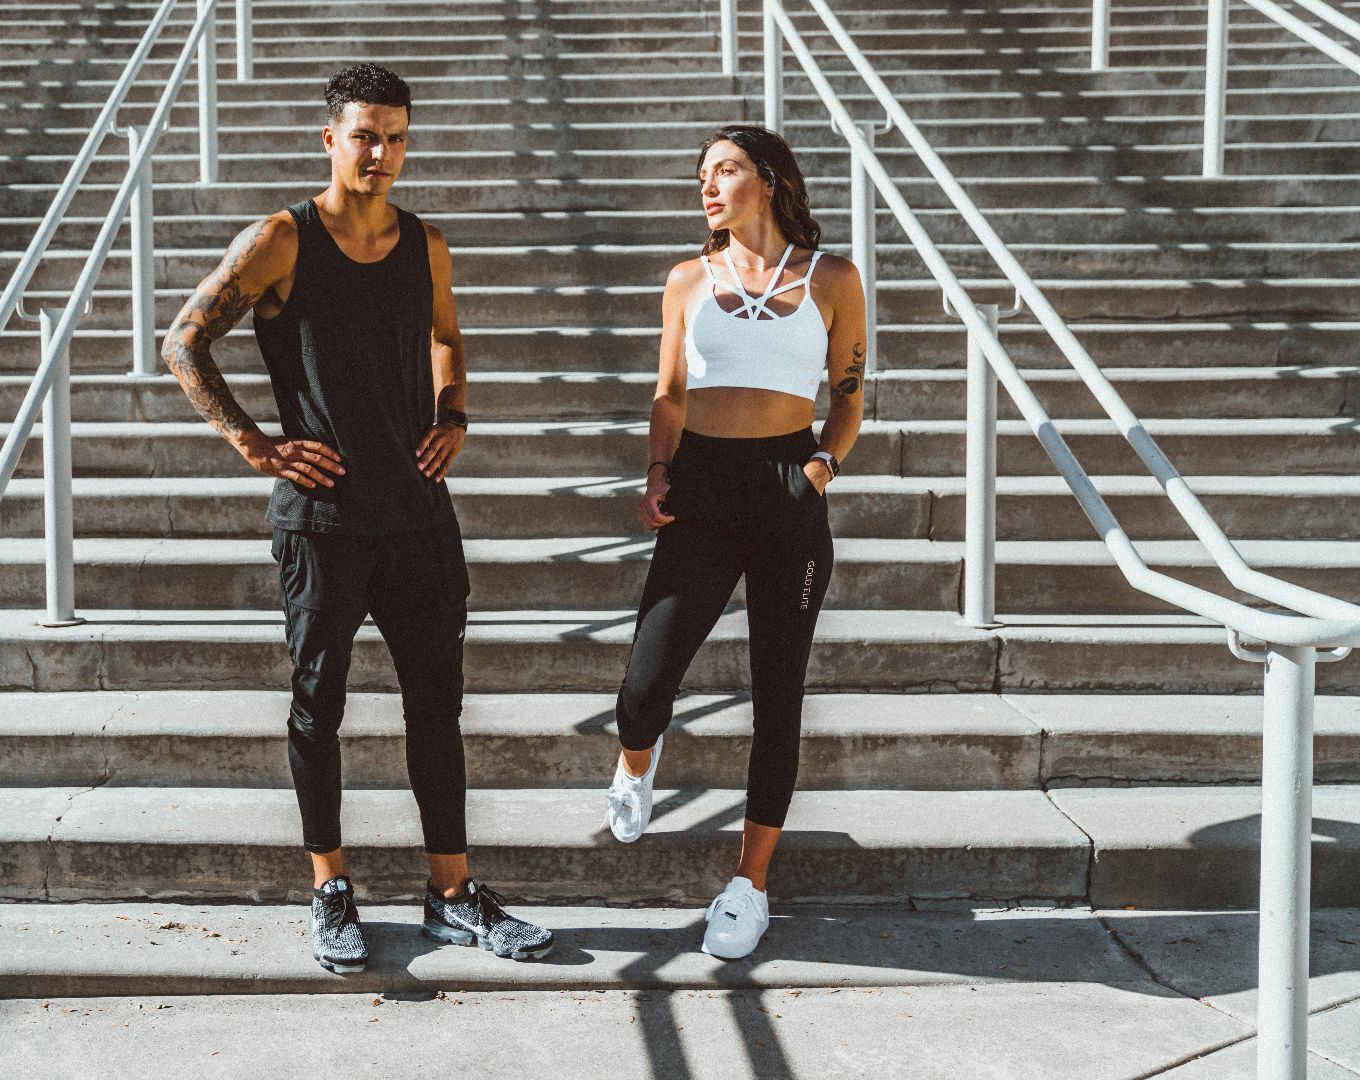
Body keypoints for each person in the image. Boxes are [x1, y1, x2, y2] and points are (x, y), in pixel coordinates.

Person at [159, 63, 554, 975]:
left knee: (437, 707)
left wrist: (454, 416)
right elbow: (183, 338)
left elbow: (447, 335)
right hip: (325, 521)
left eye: (397, 136)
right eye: (366, 134)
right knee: (317, 704)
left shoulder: (428, 244)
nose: (382, 153)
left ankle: (452, 897)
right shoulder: (281, 239)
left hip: (418, 517)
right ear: (329, 138)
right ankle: (330, 886)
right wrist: (258, 447)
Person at [602, 124, 867, 960]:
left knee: (778, 693)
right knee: (645, 683)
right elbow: (670, 393)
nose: (708, 185)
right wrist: (655, 469)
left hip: (788, 486)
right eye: (703, 174)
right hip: (703, 484)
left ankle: (749, 885)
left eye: (725, 170)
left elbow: (851, 393)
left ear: (770, 179)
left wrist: (821, 468)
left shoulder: (834, 278)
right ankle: (637, 760)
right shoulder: (687, 279)